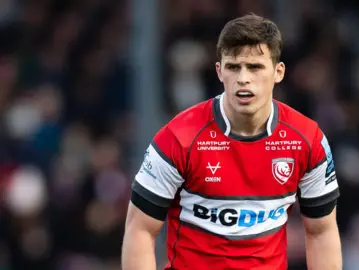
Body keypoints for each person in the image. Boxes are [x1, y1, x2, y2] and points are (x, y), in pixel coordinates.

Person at [122, 13, 342, 270]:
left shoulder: (307, 140)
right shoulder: (179, 138)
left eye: (255, 67)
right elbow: (140, 229)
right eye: (233, 67)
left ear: (278, 72)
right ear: (219, 71)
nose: (243, 78)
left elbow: (321, 232)